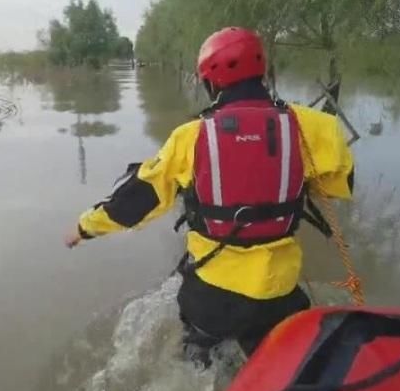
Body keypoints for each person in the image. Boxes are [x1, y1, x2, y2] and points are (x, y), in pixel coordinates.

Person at [64, 27, 354, 364]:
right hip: (279, 293)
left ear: (210, 82)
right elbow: (339, 186)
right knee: (280, 368)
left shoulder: (190, 136)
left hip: (212, 296)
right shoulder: (314, 126)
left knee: (198, 363)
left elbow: (136, 201)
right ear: (262, 71)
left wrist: (83, 228)